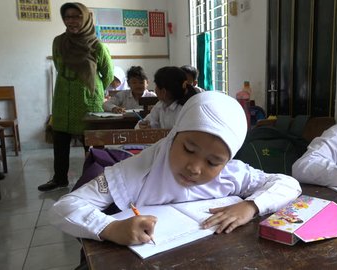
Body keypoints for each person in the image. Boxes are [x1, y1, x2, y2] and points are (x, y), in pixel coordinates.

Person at [49, 91, 302, 245]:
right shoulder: (138, 171)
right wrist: (111, 228)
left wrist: (251, 206)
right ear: (173, 137)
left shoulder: (232, 173)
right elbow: (64, 207)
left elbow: (289, 183)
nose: (194, 168)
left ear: (227, 160)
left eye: (213, 162)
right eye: (189, 150)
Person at [38, 2, 114, 192]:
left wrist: (94, 90)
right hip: (63, 98)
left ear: (86, 18)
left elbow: (108, 74)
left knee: (92, 143)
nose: (71, 21)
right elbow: (58, 65)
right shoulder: (58, 42)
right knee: (60, 139)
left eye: (76, 16)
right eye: (67, 17)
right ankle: (60, 179)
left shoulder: (97, 46)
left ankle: (95, 179)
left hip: (88, 100)